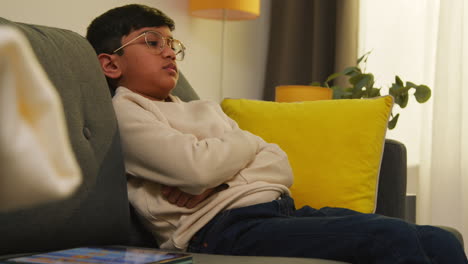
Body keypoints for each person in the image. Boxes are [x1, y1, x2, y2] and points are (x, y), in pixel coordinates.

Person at [86, 4, 468, 263]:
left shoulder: (200, 109)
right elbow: (196, 169)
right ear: (111, 63)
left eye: (173, 44)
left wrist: (223, 173)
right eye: (153, 42)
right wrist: (237, 154)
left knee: (441, 239)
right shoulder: (127, 112)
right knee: (390, 238)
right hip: (218, 229)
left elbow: (278, 162)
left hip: (277, 210)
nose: (170, 52)